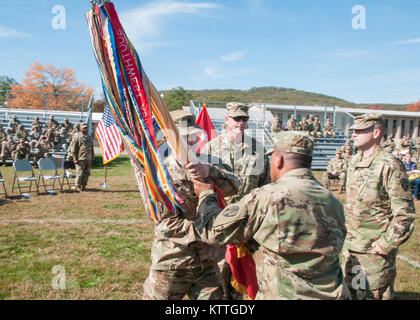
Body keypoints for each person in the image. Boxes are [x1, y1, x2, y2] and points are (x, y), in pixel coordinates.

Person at [191, 131, 350, 300]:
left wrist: (206, 195)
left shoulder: (267, 197)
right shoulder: (332, 201)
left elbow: (214, 231)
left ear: (278, 160)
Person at [142, 110, 240, 300]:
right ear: (170, 140)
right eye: (183, 138)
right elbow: (167, 224)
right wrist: (210, 229)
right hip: (173, 261)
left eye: (193, 137)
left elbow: (236, 186)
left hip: (208, 261)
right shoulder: (160, 173)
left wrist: (210, 170)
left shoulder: (210, 163)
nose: (190, 143)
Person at [198, 101, 270, 299]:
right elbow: (204, 185)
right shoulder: (211, 148)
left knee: (248, 279)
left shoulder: (258, 149)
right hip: (220, 222)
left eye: (244, 119)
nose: (241, 123)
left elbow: (266, 186)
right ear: (227, 120)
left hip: (249, 225)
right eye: (237, 118)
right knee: (218, 277)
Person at [343, 113, 415, 300]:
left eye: (359, 131)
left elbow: (405, 214)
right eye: (353, 131)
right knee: (351, 294)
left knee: (373, 295)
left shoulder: (389, 165)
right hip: (351, 247)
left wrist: (386, 243)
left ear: (376, 132)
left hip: (373, 252)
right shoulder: (354, 162)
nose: (354, 135)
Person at [67, 123, 94, 191]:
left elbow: (92, 148)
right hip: (80, 158)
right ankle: (78, 186)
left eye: (86, 128)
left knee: (87, 173)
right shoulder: (77, 136)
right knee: (79, 173)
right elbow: (74, 149)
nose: (86, 129)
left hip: (88, 158)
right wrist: (75, 159)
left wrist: (92, 157)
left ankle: (84, 185)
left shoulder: (89, 137)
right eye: (84, 128)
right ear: (80, 128)